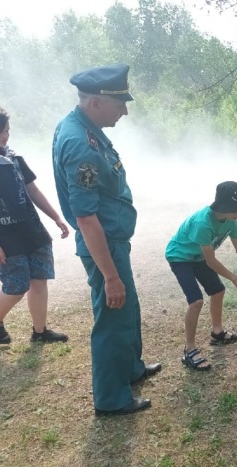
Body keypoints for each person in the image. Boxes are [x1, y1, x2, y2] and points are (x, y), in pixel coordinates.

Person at [52, 64, 160, 416]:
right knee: (112, 317)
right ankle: (111, 399)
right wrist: (110, 275)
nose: (125, 111)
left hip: (113, 240)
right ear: (96, 102)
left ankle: (131, 369)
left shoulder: (85, 128)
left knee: (126, 309)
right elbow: (85, 217)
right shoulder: (80, 144)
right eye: (119, 104)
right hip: (104, 246)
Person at [0, 103, 70, 345]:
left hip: (31, 229)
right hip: (3, 237)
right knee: (17, 285)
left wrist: (56, 217)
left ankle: (40, 332)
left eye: (7, 130)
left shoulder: (13, 157)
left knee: (39, 279)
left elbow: (33, 191)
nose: (4, 136)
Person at [165, 181, 237, 371]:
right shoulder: (203, 223)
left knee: (218, 291)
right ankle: (189, 350)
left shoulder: (231, 220)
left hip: (198, 257)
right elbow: (211, 261)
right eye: (233, 208)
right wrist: (235, 278)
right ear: (221, 206)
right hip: (180, 257)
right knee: (196, 301)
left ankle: (217, 333)